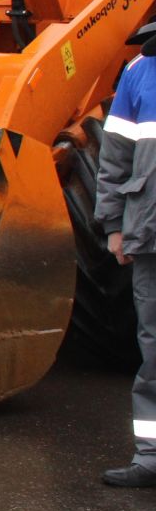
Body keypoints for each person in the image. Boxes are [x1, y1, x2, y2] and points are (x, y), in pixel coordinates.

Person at [96, 39, 156, 487]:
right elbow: (114, 158)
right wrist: (114, 224)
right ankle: (151, 457)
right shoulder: (140, 71)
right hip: (150, 235)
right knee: (154, 349)